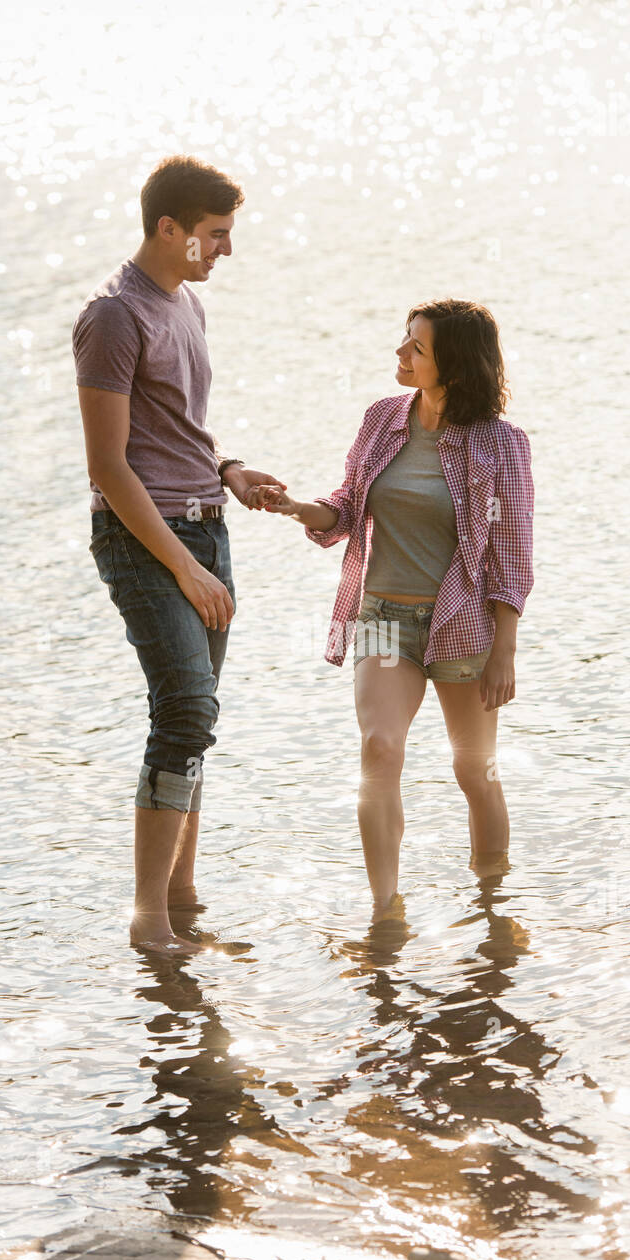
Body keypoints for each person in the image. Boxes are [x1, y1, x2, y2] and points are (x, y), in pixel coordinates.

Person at [252, 299, 534, 910]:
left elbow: (511, 554)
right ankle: (385, 911)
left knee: (474, 772)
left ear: (453, 366)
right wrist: (302, 508)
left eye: (416, 348)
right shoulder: (383, 419)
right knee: (379, 749)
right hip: (381, 619)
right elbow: (348, 506)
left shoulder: (501, 444)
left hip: (461, 627)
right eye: (405, 341)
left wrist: (504, 651)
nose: (400, 354)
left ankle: (491, 911)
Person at [73, 154, 286, 955]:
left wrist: (228, 471)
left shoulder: (185, 303)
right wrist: (183, 567)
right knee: (184, 710)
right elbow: (109, 466)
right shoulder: (113, 316)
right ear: (169, 228)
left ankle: (185, 900)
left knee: (196, 722)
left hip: (206, 524)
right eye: (214, 235)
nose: (224, 249)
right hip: (144, 538)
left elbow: (175, 430)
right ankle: (149, 919)